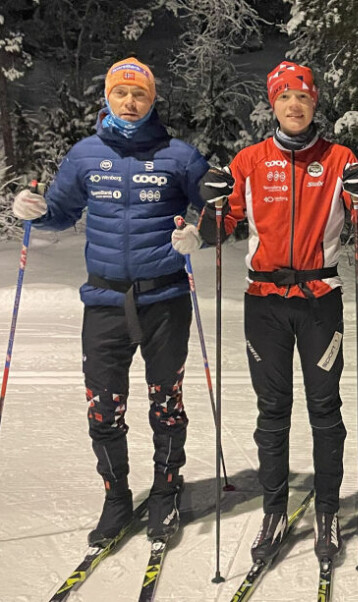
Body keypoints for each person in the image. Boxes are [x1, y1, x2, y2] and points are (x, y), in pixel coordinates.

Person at [12, 58, 209, 544]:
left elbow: (216, 207)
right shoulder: (84, 155)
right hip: (104, 299)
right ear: (107, 98)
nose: (130, 102)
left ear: (152, 99)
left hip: (164, 297)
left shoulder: (179, 155)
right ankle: (117, 496)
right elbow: (59, 212)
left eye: (139, 94)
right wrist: (35, 212)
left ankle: (166, 493)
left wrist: (199, 234)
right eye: (121, 93)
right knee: (103, 408)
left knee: (166, 405)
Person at [181, 61, 358, 564]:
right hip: (263, 302)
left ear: (314, 103)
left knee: (325, 409)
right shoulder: (248, 161)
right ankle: (274, 509)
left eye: (302, 97)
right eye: (284, 97)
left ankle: (326, 511)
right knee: (273, 411)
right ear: (273, 104)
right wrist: (209, 212)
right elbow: (222, 229)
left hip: (319, 300)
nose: (293, 105)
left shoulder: (339, 158)